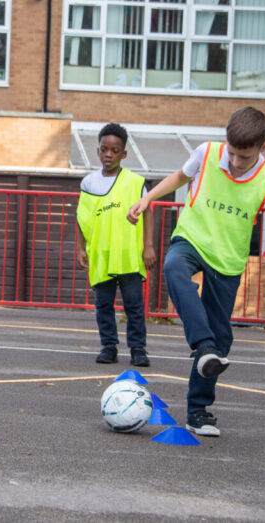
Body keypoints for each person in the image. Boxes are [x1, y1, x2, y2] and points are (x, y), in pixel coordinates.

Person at [127, 106, 265, 437]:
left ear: (264, 147)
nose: (235, 161)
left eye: (244, 157)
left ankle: (198, 411)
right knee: (174, 267)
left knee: (222, 338)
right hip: (193, 238)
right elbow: (180, 176)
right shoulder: (207, 152)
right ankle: (202, 346)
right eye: (232, 153)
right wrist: (149, 199)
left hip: (228, 259)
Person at [76, 123, 156, 367]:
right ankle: (108, 346)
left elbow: (147, 213)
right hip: (101, 254)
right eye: (104, 149)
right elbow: (81, 217)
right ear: (98, 151)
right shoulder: (89, 183)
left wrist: (148, 246)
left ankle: (138, 349)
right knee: (103, 305)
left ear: (124, 154)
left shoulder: (135, 182)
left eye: (114, 150)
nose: (108, 154)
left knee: (133, 305)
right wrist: (80, 247)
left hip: (128, 254)